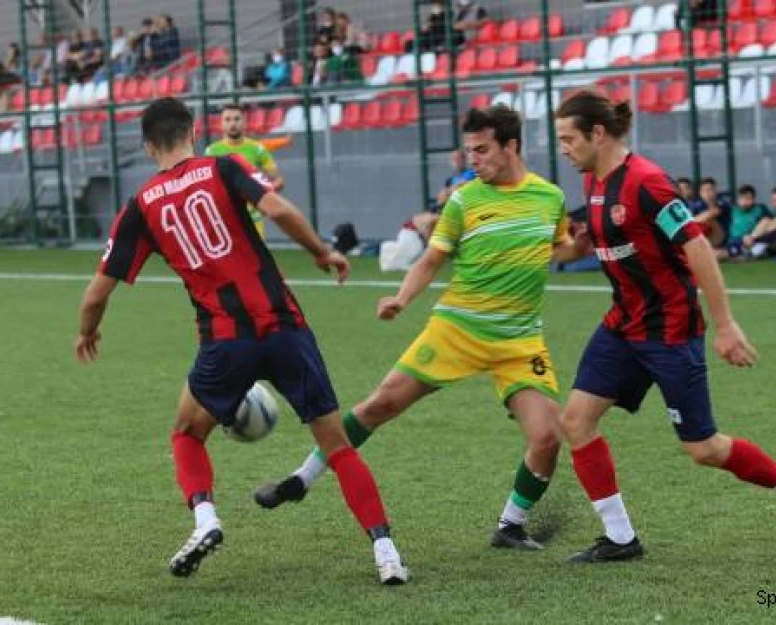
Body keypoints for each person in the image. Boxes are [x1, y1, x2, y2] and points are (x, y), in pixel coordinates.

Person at [75, 97, 408, 585]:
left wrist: (88, 331)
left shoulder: (141, 206)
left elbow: (97, 293)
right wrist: (321, 252)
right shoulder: (225, 167)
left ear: (148, 146)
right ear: (193, 130)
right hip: (284, 327)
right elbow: (279, 209)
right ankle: (386, 552)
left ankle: (206, 520)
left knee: (187, 432)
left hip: (224, 340)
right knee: (336, 445)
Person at [255, 106, 588, 551]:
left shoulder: (549, 198)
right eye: (469, 150)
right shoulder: (465, 200)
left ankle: (510, 525)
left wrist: (577, 246)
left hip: (519, 339)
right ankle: (302, 477)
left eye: (483, 149)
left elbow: (557, 250)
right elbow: (432, 259)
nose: (473, 158)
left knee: (547, 437)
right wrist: (401, 298)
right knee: (380, 404)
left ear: (512, 147)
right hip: (456, 329)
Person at [552, 90, 776, 563]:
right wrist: (565, 248)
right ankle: (621, 539)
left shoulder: (648, 183)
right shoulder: (593, 183)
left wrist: (725, 326)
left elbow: (697, 248)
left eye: (567, 138)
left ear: (596, 134)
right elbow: (606, 245)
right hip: (622, 325)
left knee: (703, 449)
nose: (563, 148)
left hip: (670, 332)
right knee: (576, 421)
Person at [203, 103, 286, 238]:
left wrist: (263, 192)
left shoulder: (257, 149)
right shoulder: (211, 151)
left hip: (253, 219)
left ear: (244, 122)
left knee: (257, 258)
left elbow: (279, 180)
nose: (232, 124)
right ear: (221, 123)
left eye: (237, 119)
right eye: (228, 119)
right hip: (225, 219)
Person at [721, 184, 770, 259]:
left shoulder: (760, 209)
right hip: (735, 241)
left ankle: (750, 252)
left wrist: (752, 237)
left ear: (753, 199)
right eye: (742, 198)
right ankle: (747, 253)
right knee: (717, 254)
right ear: (738, 199)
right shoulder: (731, 209)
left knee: (766, 220)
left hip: (752, 240)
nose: (745, 202)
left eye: (748, 199)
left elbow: (769, 222)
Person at [690, 177, 731, 248]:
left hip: (722, 238)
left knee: (708, 220)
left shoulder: (722, 202)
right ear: (700, 193)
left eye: (709, 190)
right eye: (704, 190)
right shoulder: (697, 205)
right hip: (704, 238)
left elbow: (713, 213)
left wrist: (692, 221)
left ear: (715, 190)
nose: (707, 193)